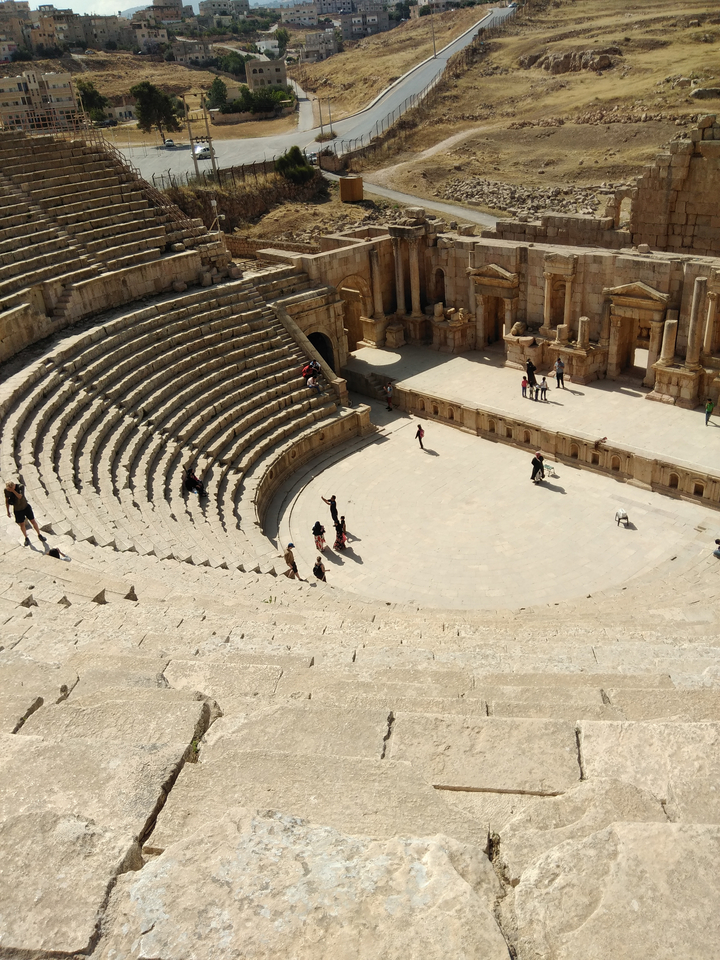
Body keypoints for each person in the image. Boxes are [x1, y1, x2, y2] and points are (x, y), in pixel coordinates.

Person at [5, 481, 47, 547]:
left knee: (33, 521)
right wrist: (8, 511)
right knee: (22, 524)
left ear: (13, 485)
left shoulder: (20, 486)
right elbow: (7, 500)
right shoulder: (6, 490)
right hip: (17, 510)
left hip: (25, 507)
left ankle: (39, 534)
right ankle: (26, 538)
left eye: (11, 488)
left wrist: (13, 491)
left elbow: (20, 496)